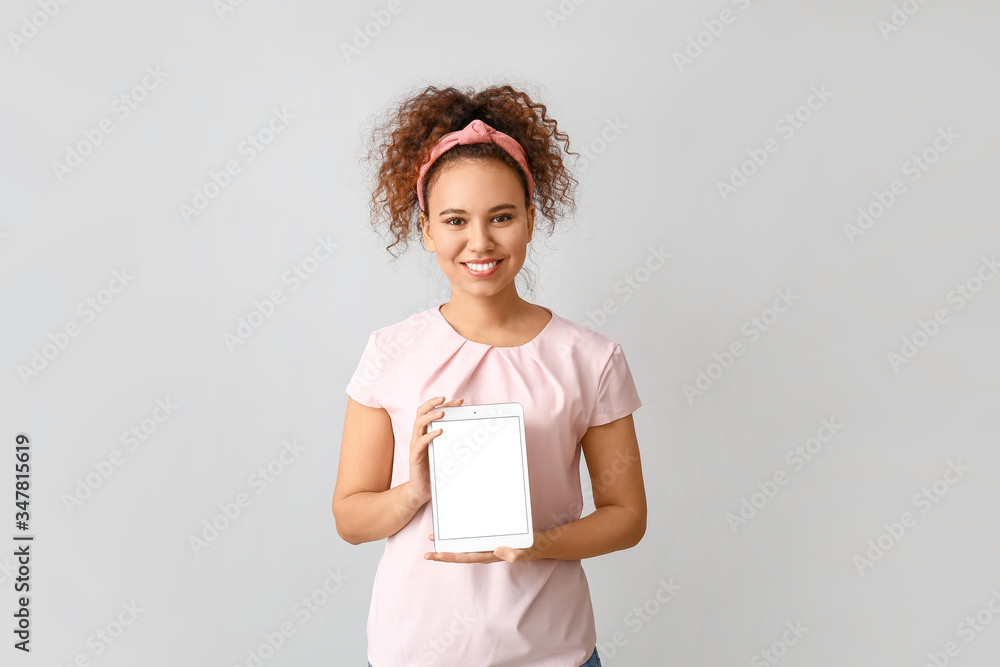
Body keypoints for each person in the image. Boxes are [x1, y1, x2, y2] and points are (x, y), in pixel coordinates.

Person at [333, 83, 646, 667]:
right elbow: (350, 519)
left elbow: (627, 517)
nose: (480, 242)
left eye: (501, 217)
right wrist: (416, 491)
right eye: (455, 220)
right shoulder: (389, 351)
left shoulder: (591, 358)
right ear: (426, 230)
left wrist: (535, 544)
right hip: (414, 654)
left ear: (530, 220)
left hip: (553, 653)